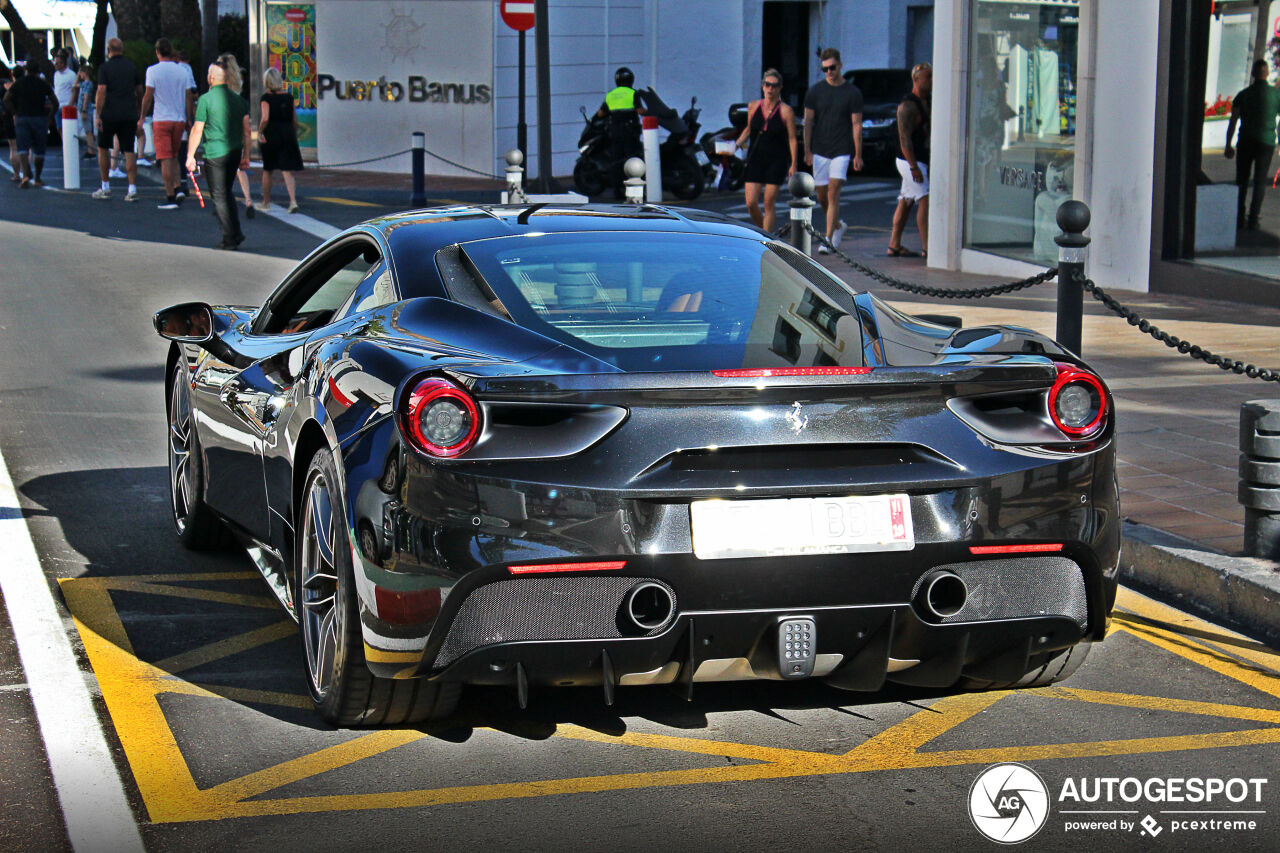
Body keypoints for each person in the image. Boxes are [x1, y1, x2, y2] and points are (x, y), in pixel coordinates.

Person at [804, 48, 864, 254]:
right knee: (821, 196)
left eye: (832, 67)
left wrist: (858, 153)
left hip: (842, 149)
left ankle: (827, 238)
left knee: (833, 193)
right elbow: (808, 122)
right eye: (825, 69)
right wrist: (807, 150)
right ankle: (838, 225)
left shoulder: (852, 93)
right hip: (820, 149)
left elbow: (856, 124)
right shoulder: (815, 91)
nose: (829, 72)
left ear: (840, 65)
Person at [186, 58, 251, 249]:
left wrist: (190, 155)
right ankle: (236, 231)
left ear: (211, 77)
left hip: (215, 152)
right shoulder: (238, 100)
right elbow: (247, 130)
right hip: (234, 151)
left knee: (219, 195)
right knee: (227, 192)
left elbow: (197, 129)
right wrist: (246, 155)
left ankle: (230, 237)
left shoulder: (206, 100)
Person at [735, 68, 797, 232]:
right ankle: (764, 231)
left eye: (775, 86)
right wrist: (736, 144)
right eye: (768, 85)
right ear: (763, 86)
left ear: (780, 88)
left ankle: (767, 239)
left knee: (769, 202)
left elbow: (792, 138)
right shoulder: (753, 106)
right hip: (756, 158)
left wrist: (793, 163)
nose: (771, 89)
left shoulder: (786, 111)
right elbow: (749, 128)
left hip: (776, 160)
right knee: (750, 202)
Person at [1225, 59, 1280, 230]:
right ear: (1268, 73)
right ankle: (1253, 218)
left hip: (1246, 140)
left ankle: (1239, 216)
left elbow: (1233, 121)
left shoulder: (1243, 94)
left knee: (1241, 179)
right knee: (1259, 180)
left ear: (1253, 74)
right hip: (1266, 142)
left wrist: (1228, 144)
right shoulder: (1276, 95)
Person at [140, 38, 195, 210]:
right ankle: (178, 186)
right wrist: (188, 118)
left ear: (157, 52)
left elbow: (148, 96)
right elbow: (188, 97)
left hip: (161, 119)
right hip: (178, 119)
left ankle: (170, 194)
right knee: (175, 155)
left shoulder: (152, 71)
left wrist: (142, 116)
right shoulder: (182, 71)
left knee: (165, 158)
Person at [888, 62, 933, 257]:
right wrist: (914, 167)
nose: (931, 81)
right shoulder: (907, 106)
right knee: (925, 198)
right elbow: (904, 139)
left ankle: (894, 244)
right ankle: (927, 247)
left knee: (905, 201)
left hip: (920, 158)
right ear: (916, 79)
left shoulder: (928, 100)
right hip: (909, 160)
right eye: (928, 77)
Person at [93, 38, 141, 201]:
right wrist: (138, 109)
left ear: (109, 50)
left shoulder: (104, 68)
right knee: (129, 151)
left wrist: (98, 114)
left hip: (109, 113)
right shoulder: (131, 67)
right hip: (128, 113)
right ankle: (132, 188)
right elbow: (139, 90)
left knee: (103, 148)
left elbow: (101, 91)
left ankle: (105, 186)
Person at [215, 54, 257, 218]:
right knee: (240, 167)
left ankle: (223, 202)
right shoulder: (237, 81)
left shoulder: (219, 83)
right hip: (237, 123)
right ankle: (248, 200)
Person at [4, 62, 57, 188]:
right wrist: (49, 117)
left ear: (26, 71)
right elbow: (55, 102)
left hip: (22, 117)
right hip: (39, 117)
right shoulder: (42, 83)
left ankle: (26, 175)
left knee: (22, 147)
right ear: (38, 71)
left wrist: (15, 112)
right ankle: (38, 177)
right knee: (39, 149)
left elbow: (6, 98)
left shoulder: (19, 83)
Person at [257, 67, 303, 212]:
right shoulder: (289, 97)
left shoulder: (266, 98)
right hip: (287, 132)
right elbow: (295, 119)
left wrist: (260, 131)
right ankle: (293, 201)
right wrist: (293, 133)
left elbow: (265, 118)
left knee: (268, 169)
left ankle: (266, 202)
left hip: (272, 133)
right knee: (287, 169)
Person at [596, 66, 645, 190]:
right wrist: (650, 111)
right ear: (631, 80)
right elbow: (640, 111)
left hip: (615, 132)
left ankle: (617, 189)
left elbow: (600, 114)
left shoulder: (610, 95)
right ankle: (634, 188)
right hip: (630, 131)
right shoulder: (633, 93)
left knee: (616, 161)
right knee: (633, 158)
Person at [50, 51, 75, 143]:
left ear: (62, 64)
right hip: (58, 104)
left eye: (56, 63)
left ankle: (69, 144)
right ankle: (64, 145)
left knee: (67, 128)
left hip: (67, 104)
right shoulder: (56, 75)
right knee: (59, 127)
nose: (55, 65)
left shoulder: (71, 75)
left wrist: (70, 104)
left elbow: (74, 91)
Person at [0, 63, 17, 181]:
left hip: (6, 114)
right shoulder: (13, 84)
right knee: (20, 145)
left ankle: (17, 173)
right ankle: (25, 172)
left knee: (12, 146)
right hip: (17, 114)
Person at [76, 62, 95, 157]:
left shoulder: (87, 84)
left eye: (81, 73)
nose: (80, 75)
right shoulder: (84, 84)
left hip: (86, 110)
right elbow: (75, 85)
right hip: (85, 109)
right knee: (87, 130)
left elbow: (86, 97)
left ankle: (91, 150)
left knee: (88, 131)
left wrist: (83, 110)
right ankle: (90, 149)